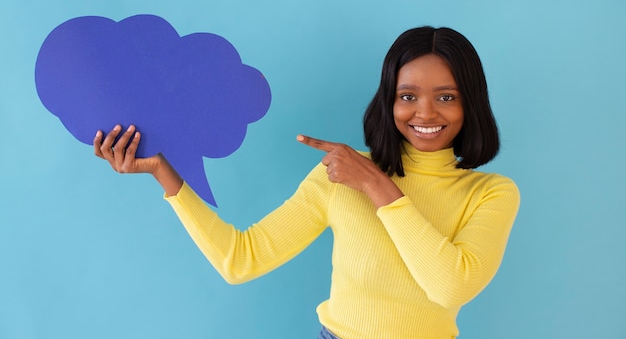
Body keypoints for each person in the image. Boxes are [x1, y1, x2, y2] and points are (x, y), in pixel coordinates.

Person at [94, 26, 520, 339]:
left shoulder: (491, 194)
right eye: (407, 96)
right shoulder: (340, 174)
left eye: (446, 96)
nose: (425, 113)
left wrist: (378, 185)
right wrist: (164, 173)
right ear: (389, 100)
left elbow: (449, 287)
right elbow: (242, 259)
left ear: (471, 102)